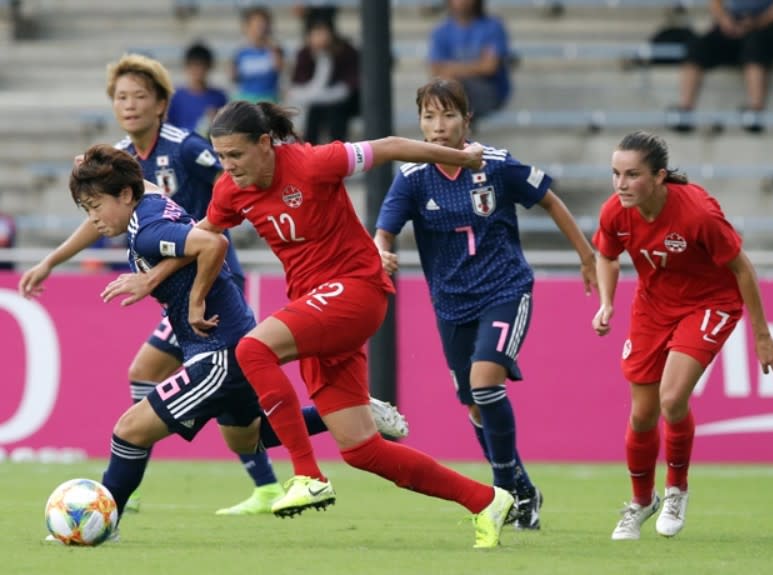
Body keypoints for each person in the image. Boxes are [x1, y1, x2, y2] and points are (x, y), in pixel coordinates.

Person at [130, 100, 517, 548]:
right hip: (316, 307)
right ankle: (486, 500)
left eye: (236, 155)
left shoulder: (314, 162)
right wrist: (158, 277)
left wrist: (463, 158)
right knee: (361, 451)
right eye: (221, 157)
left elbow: (390, 147)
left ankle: (308, 475)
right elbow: (204, 237)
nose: (228, 166)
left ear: (264, 144)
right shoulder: (230, 190)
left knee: (252, 349)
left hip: (356, 290)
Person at [18, 52, 277, 517]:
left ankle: (123, 485)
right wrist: (52, 260)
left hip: (211, 281)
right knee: (237, 420)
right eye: (121, 97)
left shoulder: (184, 149)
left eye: (140, 95)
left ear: (161, 104)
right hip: (187, 290)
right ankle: (329, 435)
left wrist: (164, 269)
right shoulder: (123, 170)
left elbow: (230, 193)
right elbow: (105, 217)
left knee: (141, 403)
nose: (129, 104)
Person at [53, 144, 332, 538]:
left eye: (96, 205)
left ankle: (103, 522)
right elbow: (193, 229)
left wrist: (193, 296)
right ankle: (348, 413)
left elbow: (213, 243)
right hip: (233, 342)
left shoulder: (146, 229)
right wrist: (96, 162)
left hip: (216, 352)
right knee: (251, 437)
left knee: (129, 430)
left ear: (125, 195)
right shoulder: (148, 202)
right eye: (86, 209)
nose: (94, 218)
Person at [374, 78, 597, 531]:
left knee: (484, 382)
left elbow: (549, 200)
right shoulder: (413, 177)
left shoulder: (495, 165)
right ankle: (522, 489)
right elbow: (385, 229)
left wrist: (587, 255)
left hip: (504, 290)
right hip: (451, 304)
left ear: (466, 119)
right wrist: (380, 250)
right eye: (429, 117)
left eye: (448, 115)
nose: (438, 127)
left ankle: (502, 489)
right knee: (476, 405)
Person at [591, 130, 773, 540]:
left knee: (672, 398)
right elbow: (606, 255)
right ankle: (642, 502)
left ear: (660, 176)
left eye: (632, 175)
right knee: (642, 414)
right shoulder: (615, 212)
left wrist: (762, 335)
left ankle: (676, 488)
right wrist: (607, 302)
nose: (621, 185)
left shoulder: (697, 213)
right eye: (616, 174)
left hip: (709, 303)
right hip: (653, 306)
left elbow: (742, 268)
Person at [668, 0, 773, 133]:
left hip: (769, 27)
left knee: (755, 48)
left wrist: (758, 22)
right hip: (732, 24)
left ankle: (755, 111)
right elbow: (715, 3)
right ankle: (685, 110)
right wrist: (725, 20)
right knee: (696, 48)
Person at [428, 0, 512, 122]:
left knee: (450, 84)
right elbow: (436, 69)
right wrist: (474, 66)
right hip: (454, 91)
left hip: (489, 91)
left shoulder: (492, 26)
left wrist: (452, 69)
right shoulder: (441, 31)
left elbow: (489, 67)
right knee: (444, 85)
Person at [287, 16, 360, 144]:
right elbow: (296, 88)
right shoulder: (304, 54)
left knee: (335, 114)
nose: (320, 38)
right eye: (316, 34)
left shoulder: (345, 51)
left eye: (323, 33)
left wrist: (317, 95)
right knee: (311, 114)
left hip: (342, 105)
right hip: (316, 105)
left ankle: (338, 152)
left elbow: (346, 89)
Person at [167, 41, 228, 136]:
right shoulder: (176, 97)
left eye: (202, 66)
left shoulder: (219, 97)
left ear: (209, 67)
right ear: (187, 67)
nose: (198, 70)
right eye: (194, 66)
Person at [231, 6, 283, 104]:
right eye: (255, 24)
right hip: (246, 100)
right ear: (247, 27)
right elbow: (234, 77)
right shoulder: (241, 52)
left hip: (269, 100)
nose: (259, 28)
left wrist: (271, 46)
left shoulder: (275, 49)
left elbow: (279, 68)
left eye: (262, 24)